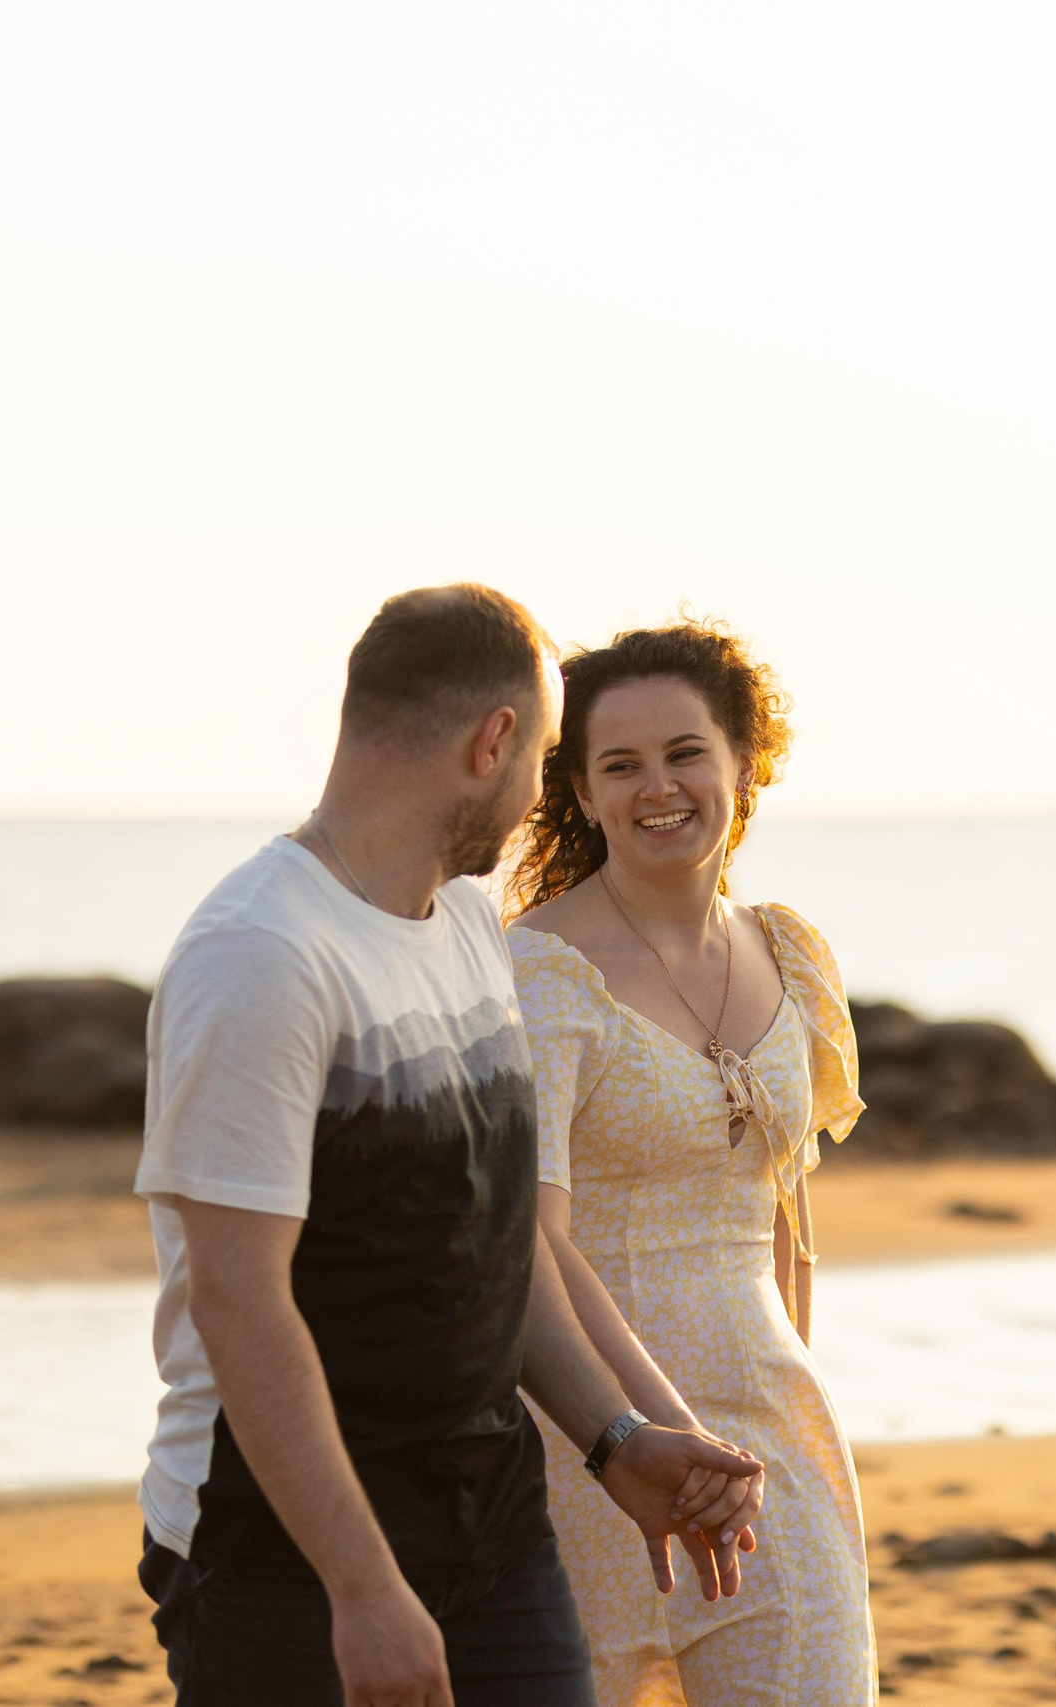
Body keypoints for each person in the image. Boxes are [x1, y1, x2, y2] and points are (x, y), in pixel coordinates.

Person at [133, 586, 769, 1707]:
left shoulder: (469, 926)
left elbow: (499, 1237)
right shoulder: (261, 954)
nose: (539, 802)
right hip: (286, 1564)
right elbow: (238, 1299)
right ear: (496, 743)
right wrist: (362, 1588)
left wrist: (614, 1440)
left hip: (495, 1535)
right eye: (547, 762)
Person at [506, 620, 875, 1705]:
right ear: (578, 790)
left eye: (684, 753)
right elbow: (531, 1232)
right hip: (590, 1440)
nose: (656, 787)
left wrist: (788, 1404)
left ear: (743, 764)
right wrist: (658, 1432)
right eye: (618, 764)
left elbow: (786, 1216)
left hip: (776, 1435)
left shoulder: (789, 953)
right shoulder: (539, 971)